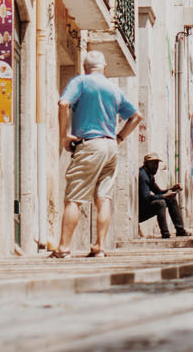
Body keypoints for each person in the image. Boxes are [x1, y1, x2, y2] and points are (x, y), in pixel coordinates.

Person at [53, 51, 142, 258]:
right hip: (111, 146)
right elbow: (136, 116)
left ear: (85, 67)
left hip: (90, 144)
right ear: (104, 67)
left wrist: (65, 135)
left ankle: (64, 248)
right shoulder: (114, 89)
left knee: (74, 198)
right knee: (103, 198)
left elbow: (63, 104)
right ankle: (100, 246)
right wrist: (119, 138)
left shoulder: (81, 82)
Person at [138, 154, 189, 238]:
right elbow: (146, 197)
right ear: (146, 164)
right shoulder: (143, 176)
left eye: (157, 164)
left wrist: (172, 189)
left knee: (171, 200)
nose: (156, 166)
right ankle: (165, 233)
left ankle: (180, 230)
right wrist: (164, 196)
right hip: (140, 212)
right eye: (153, 164)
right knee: (161, 203)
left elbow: (158, 192)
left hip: (146, 206)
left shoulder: (149, 175)